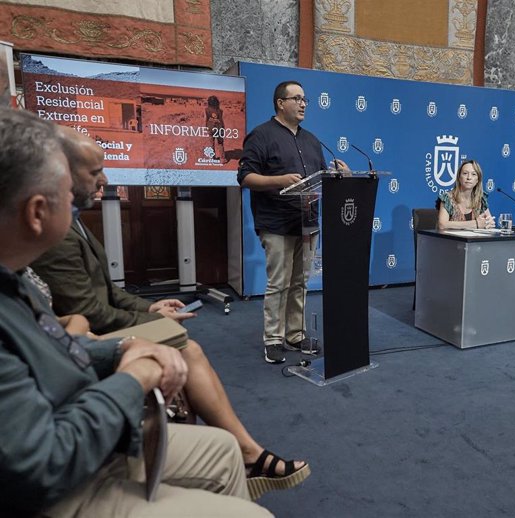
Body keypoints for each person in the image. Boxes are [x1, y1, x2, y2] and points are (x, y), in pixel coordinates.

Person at [0, 107, 272, 517]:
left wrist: (121, 350)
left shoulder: (14, 276)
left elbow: (56, 347)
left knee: (222, 450)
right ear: (37, 212)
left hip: (80, 436)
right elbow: (43, 466)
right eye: (67, 187)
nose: (89, 189)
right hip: (58, 487)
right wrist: (133, 377)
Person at [238, 80, 347, 364]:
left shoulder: (311, 139)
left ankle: (295, 334)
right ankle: (273, 339)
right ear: (280, 102)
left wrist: (338, 174)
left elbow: (319, 178)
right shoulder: (261, 136)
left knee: (300, 282)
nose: (302, 104)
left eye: (304, 99)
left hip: (308, 221)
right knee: (279, 283)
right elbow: (245, 177)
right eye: (296, 98)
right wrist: (279, 180)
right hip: (276, 222)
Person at [437, 159, 495, 230]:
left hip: (473, 240)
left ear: (478, 180)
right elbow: (442, 225)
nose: (469, 178)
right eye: (465, 173)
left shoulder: (480, 199)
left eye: (473, 174)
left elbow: (488, 222)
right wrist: (476, 223)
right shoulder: (448, 198)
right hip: (450, 240)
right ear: (459, 177)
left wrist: (489, 223)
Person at [206, 95, 226, 161]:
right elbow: (221, 120)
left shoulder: (207, 110)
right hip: (219, 128)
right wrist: (223, 128)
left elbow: (206, 119)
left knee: (211, 143)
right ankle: (222, 159)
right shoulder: (220, 111)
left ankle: (212, 157)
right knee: (220, 143)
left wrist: (206, 127)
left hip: (210, 128)